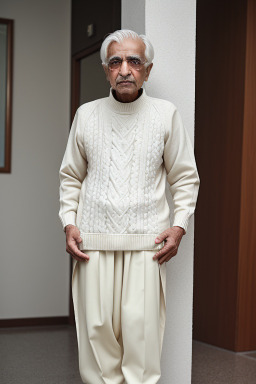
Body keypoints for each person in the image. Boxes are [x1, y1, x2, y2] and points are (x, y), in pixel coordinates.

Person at [59, 29, 200, 384]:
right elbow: (70, 177)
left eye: (134, 61)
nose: (125, 69)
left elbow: (184, 178)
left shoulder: (166, 115)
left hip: (147, 248)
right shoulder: (86, 115)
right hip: (91, 245)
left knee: (142, 341)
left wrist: (179, 225)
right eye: (116, 61)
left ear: (147, 71)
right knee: (96, 341)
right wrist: (69, 223)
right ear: (106, 69)